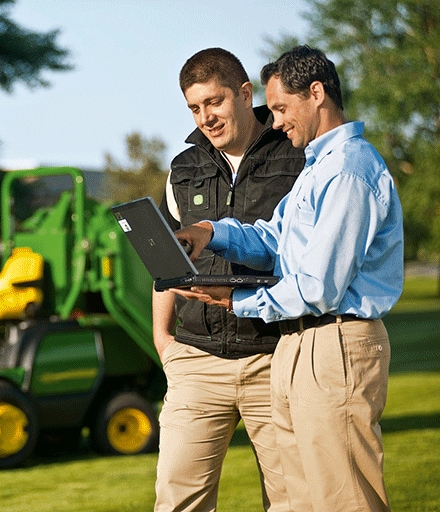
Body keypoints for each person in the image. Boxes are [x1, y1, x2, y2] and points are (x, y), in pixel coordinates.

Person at [174, 45, 403, 512]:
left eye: (280, 107)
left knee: (345, 500)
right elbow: (276, 239)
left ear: (316, 93)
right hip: (298, 344)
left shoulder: (349, 170)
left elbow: (320, 286)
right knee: (300, 500)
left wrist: (240, 301)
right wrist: (210, 232)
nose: (275, 121)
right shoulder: (318, 167)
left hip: (335, 343)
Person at [153, 48, 304, 512]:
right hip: (195, 361)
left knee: (295, 501)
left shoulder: (295, 155)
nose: (206, 118)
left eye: (213, 102)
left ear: (244, 93)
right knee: (177, 503)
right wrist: (164, 341)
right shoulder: (183, 169)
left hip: (275, 356)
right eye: (195, 109)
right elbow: (165, 264)